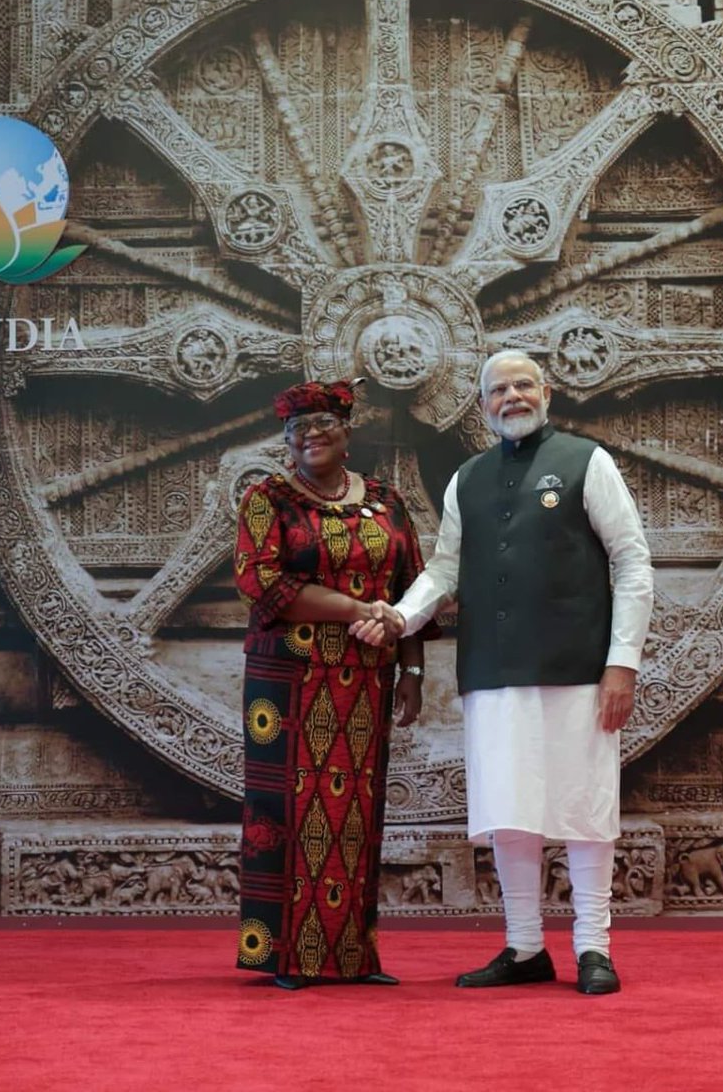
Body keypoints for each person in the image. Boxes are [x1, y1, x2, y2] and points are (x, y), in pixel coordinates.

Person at [352, 350, 653, 994]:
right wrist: (401, 617)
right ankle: (523, 948)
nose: (511, 397)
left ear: (547, 391)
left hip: (580, 666)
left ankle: (593, 949)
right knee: (509, 808)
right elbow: (445, 569)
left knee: (584, 805)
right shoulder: (468, 477)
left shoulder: (585, 462)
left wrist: (622, 664)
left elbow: (632, 563)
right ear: (483, 404)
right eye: (498, 390)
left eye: (522, 385)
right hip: (491, 667)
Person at [234, 377, 435, 990]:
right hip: (290, 680)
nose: (310, 438)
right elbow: (263, 585)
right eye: (298, 431)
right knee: (290, 811)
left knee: (356, 814)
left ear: (348, 435)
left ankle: (353, 957)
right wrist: (362, 611)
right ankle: (288, 958)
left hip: (367, 683)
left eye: (323, 427)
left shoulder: (386, 501)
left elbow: (413, 586)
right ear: (287, 442)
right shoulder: (267, 499)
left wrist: (414, 669)